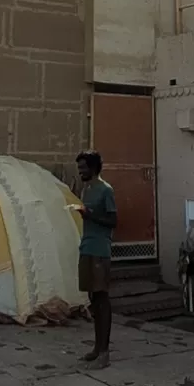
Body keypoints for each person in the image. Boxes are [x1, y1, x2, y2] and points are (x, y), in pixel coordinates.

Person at [75, 150, 117, 368]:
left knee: (102, 299)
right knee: (93, 298)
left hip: (100, 251)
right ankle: (97, 347)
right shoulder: (86, 189)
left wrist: (90, 215)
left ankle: (104, 352)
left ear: (93, 168)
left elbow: (113, 221)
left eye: (83, 167)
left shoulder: (105, 190)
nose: (80, 171)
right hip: (87, 248)